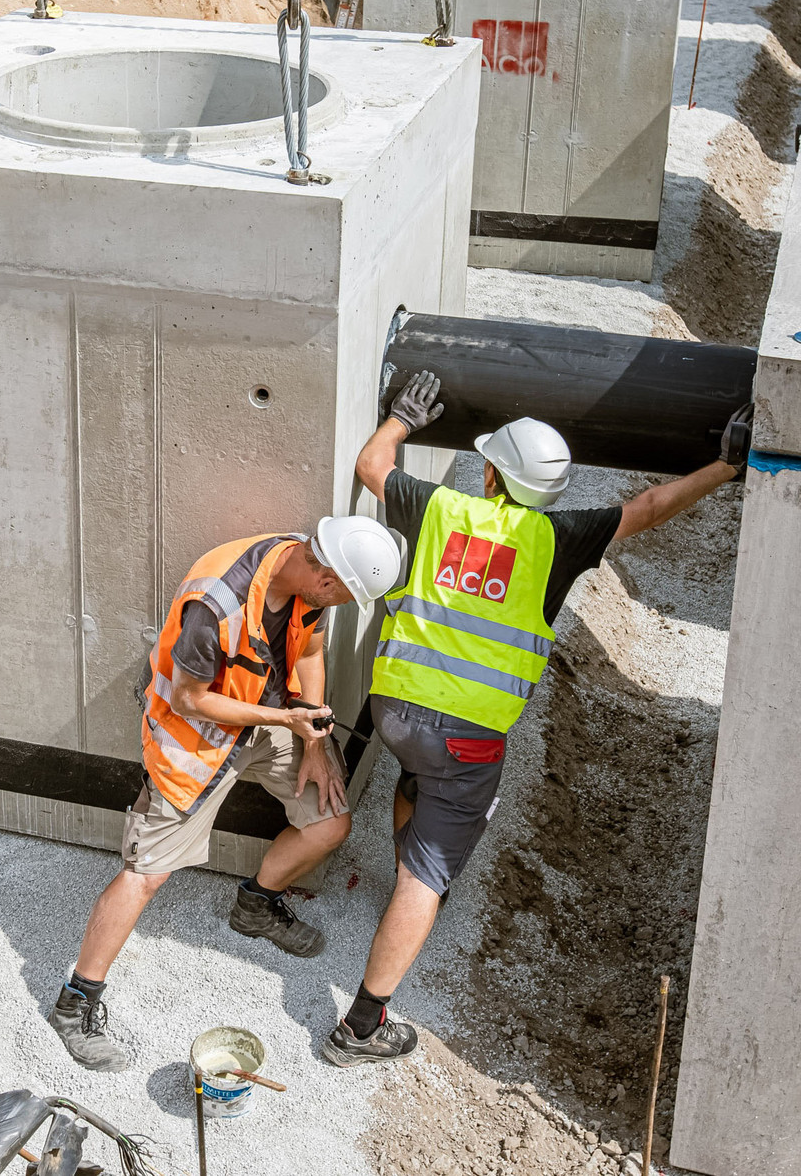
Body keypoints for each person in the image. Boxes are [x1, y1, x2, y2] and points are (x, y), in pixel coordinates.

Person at [320, 370, 753, 1067]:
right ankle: (363, 1026)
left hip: (393, 709)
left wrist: (402, 416)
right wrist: (727, 465)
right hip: (465, 740)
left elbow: (373, 465)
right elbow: (648, 506)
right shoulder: (560, 538)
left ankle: (410, 865)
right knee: (426, 878)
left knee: (415, 780)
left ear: (489, 475)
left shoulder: (441, 511)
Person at [50, 516, 402, 1072]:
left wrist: (310, 735)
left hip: (273, 719)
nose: (337, 605)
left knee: (330, 821)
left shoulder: (303, 579)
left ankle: (255, 906)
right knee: (147, 874)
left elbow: (308, 650)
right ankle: (76, 1002)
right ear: (326, 575)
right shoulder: (217, 603)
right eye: (342, 595)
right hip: (197, 738)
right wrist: (282, 716)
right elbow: (190, 698)